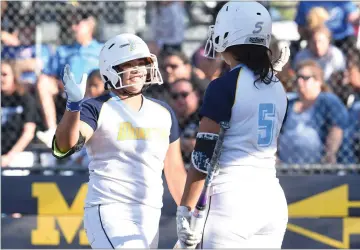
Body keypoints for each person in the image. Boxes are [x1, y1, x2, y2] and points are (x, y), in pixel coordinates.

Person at [51, 33, 187, 248]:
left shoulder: (163, 112)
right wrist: (74, 106)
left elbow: (175, 170)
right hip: (109, 209)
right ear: (110, 69)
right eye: (127, 64)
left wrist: (188, 212)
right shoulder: (95, 107)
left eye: (142, 62)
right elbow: (64, 146)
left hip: (150, 213)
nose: (137, 69)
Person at [175, 2, 289, 248]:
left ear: (230, 32)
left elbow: (203, 157)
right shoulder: (278, 86)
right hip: (271, 199)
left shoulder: (224, 85)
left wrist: (186, 207)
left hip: (232, 200)